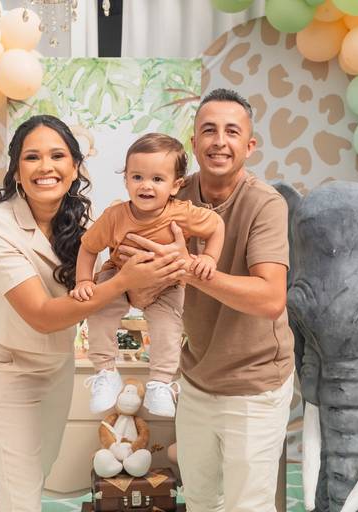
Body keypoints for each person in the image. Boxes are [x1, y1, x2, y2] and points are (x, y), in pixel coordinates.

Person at [0, 115, 185, 512]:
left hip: (56, 365)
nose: (46, 167)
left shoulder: (84, 222)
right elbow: (41, 314)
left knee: (39, 470)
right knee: (19, 487)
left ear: (75, 168)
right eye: (32, 157)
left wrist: (156, 272)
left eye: (57, 156)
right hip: (6, 368)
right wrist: (125, 281)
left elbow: (111, 288)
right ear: (16, 171)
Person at [122, 89, 295, 511]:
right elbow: (139, 293)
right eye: (209, 131)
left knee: (247, 505)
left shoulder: (265, 205)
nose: (220, 141)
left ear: (249, 146)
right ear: (194, 142)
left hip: (255, 383)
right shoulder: (170, 195)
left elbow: (271, 299)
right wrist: (137, 277)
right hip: (196, 378)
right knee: (200, 499)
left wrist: (190, 269)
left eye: (232, 132)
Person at [70, 133, 224, 418]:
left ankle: (160, 383)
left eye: (157, 179)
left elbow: (216, 226)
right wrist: (84, 281)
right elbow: (89, 247)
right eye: (137, 177)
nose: (146, 185)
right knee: (99, 310)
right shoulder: (115, 216)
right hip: (119, 274)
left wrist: (208, 257)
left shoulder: (182, 213)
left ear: (176, 185)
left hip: (166, 283)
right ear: (126, 180)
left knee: (168, 327)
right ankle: (105, 372)